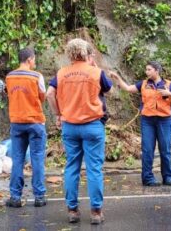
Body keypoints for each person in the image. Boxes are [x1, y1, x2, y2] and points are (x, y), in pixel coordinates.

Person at [46, 38, 113, 225]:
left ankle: (72, 210)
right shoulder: (96, 72)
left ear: (69, 53)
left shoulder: (61, 73)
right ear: (86, 53)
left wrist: (58, 114)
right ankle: (96, 212)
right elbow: (109, 90)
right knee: (94, 169)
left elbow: (49, 93)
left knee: (72, 167)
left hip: (70, 126)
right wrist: (95, 68)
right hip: (93, 126)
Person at [109, 61, 171, 187]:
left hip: (164, 120)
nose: (146, 72)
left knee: (165, 150)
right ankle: (147, 178)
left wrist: (169, 94)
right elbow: (128, 88)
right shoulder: (143, 84)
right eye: (146, 69)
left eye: (149, 69)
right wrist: (117, 78)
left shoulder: (168, 84)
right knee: (147, 150)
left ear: (157, 70)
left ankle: (168, 177)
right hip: (148, 121)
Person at [4, 47, 47, 208]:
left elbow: (9, 94)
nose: (35, 62)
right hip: (35, 121)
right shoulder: (37, 76)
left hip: (17, 122)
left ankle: (15, 197)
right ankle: (39, 196)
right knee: (37, 159)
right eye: (34, 59)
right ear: (29, 60)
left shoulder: (9, 77)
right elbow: (42, 96)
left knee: (17, 159)